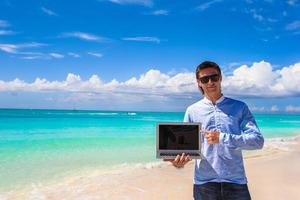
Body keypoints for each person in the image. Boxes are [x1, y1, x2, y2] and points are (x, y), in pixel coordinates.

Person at [165, 61, 264, 200]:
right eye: (205, 79)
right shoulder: (192, 111)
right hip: (204, 184)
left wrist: (222, 138)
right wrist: (178, 163)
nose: (210, 82)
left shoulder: (239, 107)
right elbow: (187, 149)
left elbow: (257, 141)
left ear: (221, 78)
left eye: (214, 77)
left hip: (236, 182)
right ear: (199, 83)